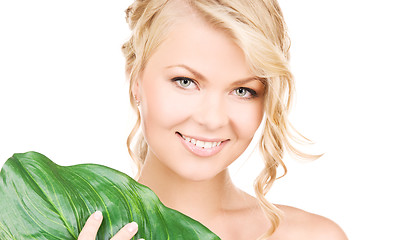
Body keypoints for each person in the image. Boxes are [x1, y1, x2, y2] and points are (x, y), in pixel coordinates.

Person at [78, 0, 348, 239]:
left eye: (243, 91)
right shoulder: (66, 227)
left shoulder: (314, 236)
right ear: (135, 78)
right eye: (185, 82)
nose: (212, 119)